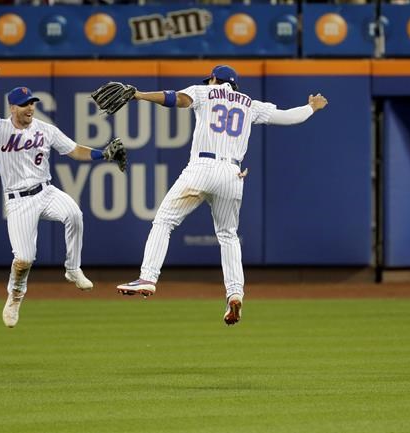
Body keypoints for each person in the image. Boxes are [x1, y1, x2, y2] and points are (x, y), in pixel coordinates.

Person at [115, 64, 328, 325]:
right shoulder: (250, 104)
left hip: (202, 168)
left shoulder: (205, 91)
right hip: (232, 173)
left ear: (215, 79)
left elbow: (176, 99)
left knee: (164, 221)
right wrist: (312, 107)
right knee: (228, 236)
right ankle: (235, 293)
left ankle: (148, 277)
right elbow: (289, 117)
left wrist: (139, 95)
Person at [0, 56, 125, 328]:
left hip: (46, 191)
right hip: (18, 201)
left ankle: (72, 269)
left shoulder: (46, 129)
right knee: (24, 260)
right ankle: (15, 295)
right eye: (25, 104)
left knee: (74, 214)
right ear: (12, 108)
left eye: (33, 102)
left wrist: (103, 154)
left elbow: (75, 150)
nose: (30, 107)